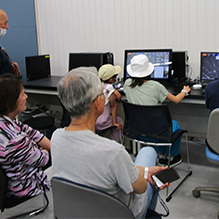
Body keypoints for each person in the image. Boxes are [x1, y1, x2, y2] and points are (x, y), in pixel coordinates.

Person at [51, 67, 170, 219]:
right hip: (124, 213)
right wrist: (145, 175)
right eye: (102, 93)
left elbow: (98, 169)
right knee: (148, 152)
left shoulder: (56, 138)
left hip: (79, 212)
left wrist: (143, 171)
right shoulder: (113, 151)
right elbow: (140, 188)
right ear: (97, 104)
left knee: (143, 169)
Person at [0, 74, 51, 198]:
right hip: (20, 187)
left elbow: (28, 130)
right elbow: (42, 160)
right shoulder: (14, 140)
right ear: (11, 101)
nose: (26, 97)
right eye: (23, 94)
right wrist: (47, 150)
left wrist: (50, 146)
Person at [123, 54, 191, 167]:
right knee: (173, 125)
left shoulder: (127, 84)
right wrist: (185, 90)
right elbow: (176, 99)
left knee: (157, 123)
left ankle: (161, 156)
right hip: (155, 131)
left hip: (136, 131)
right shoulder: (156, 86)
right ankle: (171, 157)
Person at [95, 64, 123, 142]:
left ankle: (98, 140)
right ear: (111, 80)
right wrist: (115, 122)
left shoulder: (95, 85)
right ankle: (114, 144)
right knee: (119, 121)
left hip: (93, 121)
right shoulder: (109, 88)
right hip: (102, 122)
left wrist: (114, 90)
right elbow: (113, 106)